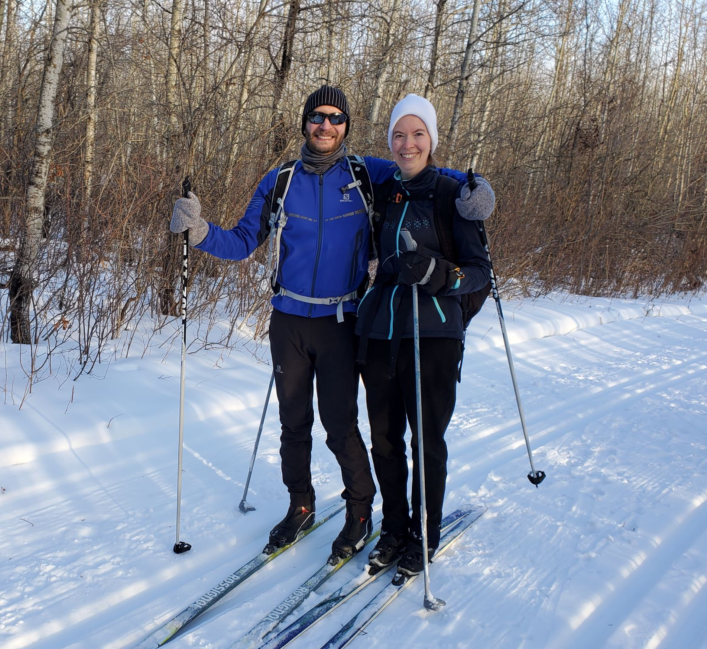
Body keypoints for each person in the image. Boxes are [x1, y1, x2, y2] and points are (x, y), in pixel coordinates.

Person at [170, 85, 494, 558]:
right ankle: (300, 504)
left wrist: (473, 188)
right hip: (289, 320)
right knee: (292, 423)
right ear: (305, 122)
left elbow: (420, 170)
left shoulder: (367, 173)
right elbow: (242, 241)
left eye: (336, 118)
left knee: (340, 425)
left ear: (346, 126)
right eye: (317, 116)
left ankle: (359, 512)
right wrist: (197, 231)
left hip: (342, 321)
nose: (326, 125)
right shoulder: (279, 180)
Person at [357, 94, 491, 576]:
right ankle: (393, 529)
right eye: (398, 134)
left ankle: (425, 532)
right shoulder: (383, 189)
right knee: (384, 440)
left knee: (426, 440)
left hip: (434, 336)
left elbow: (480, 273)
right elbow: (337, 163)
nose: (407, 143)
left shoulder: (451, 194)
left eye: (417, 134)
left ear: (431, 140)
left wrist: (441, 274)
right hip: (381, 333)